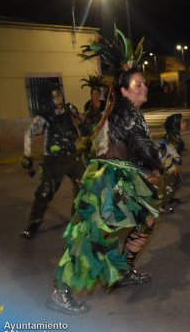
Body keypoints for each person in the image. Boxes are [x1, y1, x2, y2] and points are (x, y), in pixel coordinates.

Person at [47, 67, 163, 314]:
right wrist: (159, 162)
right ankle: (60, 291)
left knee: (145, 218)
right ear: (123, 91)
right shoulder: (128, 113)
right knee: (95, 232)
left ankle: (121, 271)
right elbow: (142, 147)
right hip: (111, 179)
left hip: (119, 176)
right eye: (137, 84)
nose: (144, 87)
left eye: (144, 83)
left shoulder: (119, 111)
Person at [20, 85, 85, 239]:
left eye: (60, 96)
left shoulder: (70, 110)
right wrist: (27, 155)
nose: (59, 100)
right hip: (53, 160)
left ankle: (78, 217)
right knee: (45, 191)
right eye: (55, 97)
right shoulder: (45, 116)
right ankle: (34, 223)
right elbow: (28, 133)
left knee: (85, 186)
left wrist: (84, 128)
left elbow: (81, 125)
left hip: (72, 156)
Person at [157, 113, 186, 213]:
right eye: (182, 122)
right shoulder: (172, 138)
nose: (185, 124)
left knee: (175, 181)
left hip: (168, 163)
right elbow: (170, 149)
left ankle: (168, 199)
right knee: (168, 184)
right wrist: (177, 158)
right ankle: (162, 206)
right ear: (175, 124)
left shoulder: (174, 136)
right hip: (165, 165)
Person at [79, 81, 106, 164]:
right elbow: (86, 116)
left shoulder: (104, 103)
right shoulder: (88, 104)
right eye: (94, 94)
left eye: (98, 93)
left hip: (101, 131)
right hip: (91, 132)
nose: (96, 96)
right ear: (91, 95)